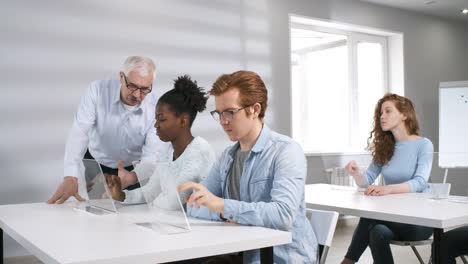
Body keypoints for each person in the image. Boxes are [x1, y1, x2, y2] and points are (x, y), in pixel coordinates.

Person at [178, 70, 318, 263]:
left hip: (280, 257)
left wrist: (222, 206)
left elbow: (282, 215)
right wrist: (224, 213)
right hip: (241, 252)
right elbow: (194, 206)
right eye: (219, 113)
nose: (223, 121)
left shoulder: (287, 151)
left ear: (255, 109)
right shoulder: (227, 156)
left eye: (230, 112)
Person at [48, 56, 161, 204]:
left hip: (134, 170)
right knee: (100, 212)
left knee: (133, 214)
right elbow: (80, 132)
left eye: (144, 89)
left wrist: (132, 177)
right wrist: (70, 176)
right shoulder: (97, 90)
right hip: (98, 165)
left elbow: (151, 156)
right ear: (122, 77)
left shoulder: (156, 106)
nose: (136, 95)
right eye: (132, 86)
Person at [341, 93, 434, 264]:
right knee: (376, 231)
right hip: (393, 218)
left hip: (419, 220)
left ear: (404, 115)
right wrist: (355, 173)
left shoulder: (424, 145)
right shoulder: (386, 147)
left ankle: (347, 262)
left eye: (388, 111)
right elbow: (366, 180)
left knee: (370, 217)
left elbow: (420, 182)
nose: (382, 116)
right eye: (381, 113)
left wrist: (388, 189)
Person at [106, 75, 216, 210]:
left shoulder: (200, 149)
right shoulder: (168, 150)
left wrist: (152, 204)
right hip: (171, 223)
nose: (156, 125)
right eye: (156, 119)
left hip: (200, 228)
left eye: (162, 119)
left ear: (183, 121)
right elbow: (150, 191)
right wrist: (121, 195)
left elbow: (174, 202)